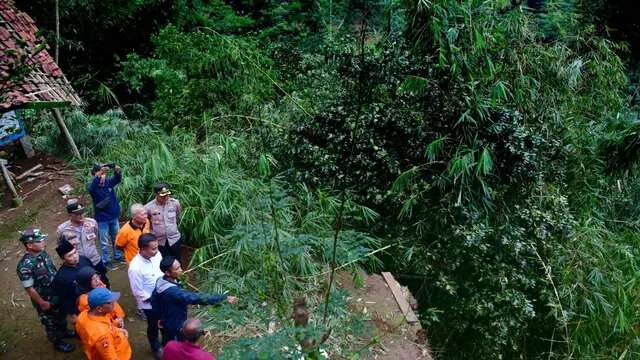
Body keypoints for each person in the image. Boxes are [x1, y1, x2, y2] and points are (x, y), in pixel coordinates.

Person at [152, 256, 237, 344]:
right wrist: (223, 298)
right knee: (176, 342)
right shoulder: (173, 292)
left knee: (167, 339)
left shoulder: (161, 280)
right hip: (174, 322)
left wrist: (159, 317)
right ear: (167, 272)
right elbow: (195, 298)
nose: (181, 270)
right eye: (177, 268)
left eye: (180, 266)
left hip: (167, 318)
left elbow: (153, 299)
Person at [16, 228, 75, 353]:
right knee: (51, 322)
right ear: (30, 245)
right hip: (45, 299)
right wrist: (42, 303)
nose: (43, 241)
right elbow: (29, 288)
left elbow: (52, 270)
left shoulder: (43, 253)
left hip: (56, 294)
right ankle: (57, 342)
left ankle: (64, 332)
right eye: (39, 240)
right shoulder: (24, 265)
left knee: (61, 314)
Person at [128, 233, 164, 358]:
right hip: (149, 303)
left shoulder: (157, 255)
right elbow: (138, 291)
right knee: (153, 324)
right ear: (143, 249)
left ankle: (166, 342)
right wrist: (154, 299)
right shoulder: (135, 268)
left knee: (164, 321)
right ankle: (155, 346)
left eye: (157, 247)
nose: (157, 250)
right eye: (153, 248)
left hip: (163, 297)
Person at [57, 203, 110, 285]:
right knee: (86, 285)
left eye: (82, 212)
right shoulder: (62, 229)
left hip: (95, 259)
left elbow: (96, 235)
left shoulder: (92, 222)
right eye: (77, 214)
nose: (81, 215)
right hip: (79, 264)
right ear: (70, 215)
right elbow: (62, 246)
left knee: (103, 281)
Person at [75, 288, 132, 360]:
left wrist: (117, 329)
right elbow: (111, 358)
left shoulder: (83, 315)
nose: (114, 303)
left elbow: (104, 325)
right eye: (110, 302)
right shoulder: (103, 336)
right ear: (99, 309)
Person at [52, 239, 97, 328]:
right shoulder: (61, 277)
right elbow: (64, 298)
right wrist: (72, 314)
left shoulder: (84, 260)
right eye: (70, 256)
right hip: (80, 308)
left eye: (75, 252)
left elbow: (95, 275)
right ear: (63, 258)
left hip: (95, 299)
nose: (75, 256)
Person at [88, 163, 125, 267]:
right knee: (104, 242)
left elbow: (117, 179)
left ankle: (118, 255)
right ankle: (106, 260)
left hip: (113, 216)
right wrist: (99, 174)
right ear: (95, 175)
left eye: (104, 173)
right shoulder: (93, 187)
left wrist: (117, 171)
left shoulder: (108, 183)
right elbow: (92, 187)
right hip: (102, 219)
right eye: (100, 173)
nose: (103, 175)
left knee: (116, 238)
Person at [145, 183, 182, 259]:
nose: (166, 197)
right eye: (163, 196)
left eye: (167, 195)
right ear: (156, 194)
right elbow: (147, 222)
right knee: (164, 263)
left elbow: (178, 215)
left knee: (177, 261)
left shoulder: (175, 203)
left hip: (174, 239)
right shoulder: (149, 207)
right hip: (159, 242)